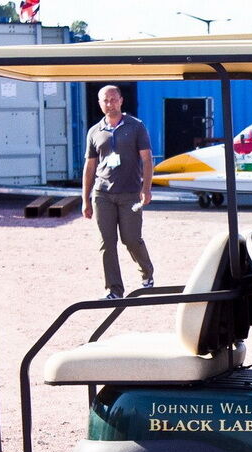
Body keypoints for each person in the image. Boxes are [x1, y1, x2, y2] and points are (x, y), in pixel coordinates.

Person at [82, 85, 154, 300]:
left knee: (131, 239)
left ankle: (147, 272)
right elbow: (89, 166)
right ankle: (114, 289)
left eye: (114, 99)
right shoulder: (95, 132)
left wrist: (146, 189)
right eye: (106, 100)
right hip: (102, 194)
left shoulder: (136, 127)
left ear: (121, 100)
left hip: (130, 193)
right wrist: (85, 199)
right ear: (100, 103)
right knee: (107, 243)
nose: (110, 104)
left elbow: (147, 159)